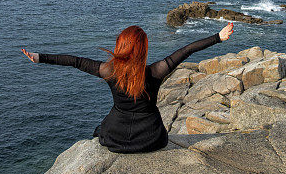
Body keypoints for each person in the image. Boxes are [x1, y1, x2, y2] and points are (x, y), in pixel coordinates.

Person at [21, 22, 234, 153]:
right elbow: (186, 50)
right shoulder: (156, 71)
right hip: (152, 139)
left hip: (115, 137)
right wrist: (218, 37)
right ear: (142, 50)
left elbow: (74, 61)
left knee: (98, 130)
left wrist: (40, 58)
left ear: (120, 46)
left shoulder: (108, 71)